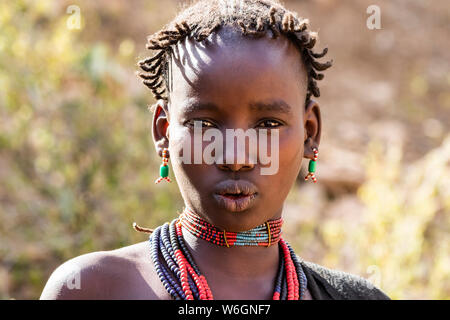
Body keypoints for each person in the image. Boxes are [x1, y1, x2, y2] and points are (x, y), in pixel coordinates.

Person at [40, 0, 390, 300]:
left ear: (310, 133)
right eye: (203, 125)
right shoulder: (92, 288)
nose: (235, 157)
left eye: (268, 124)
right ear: (163, 132)